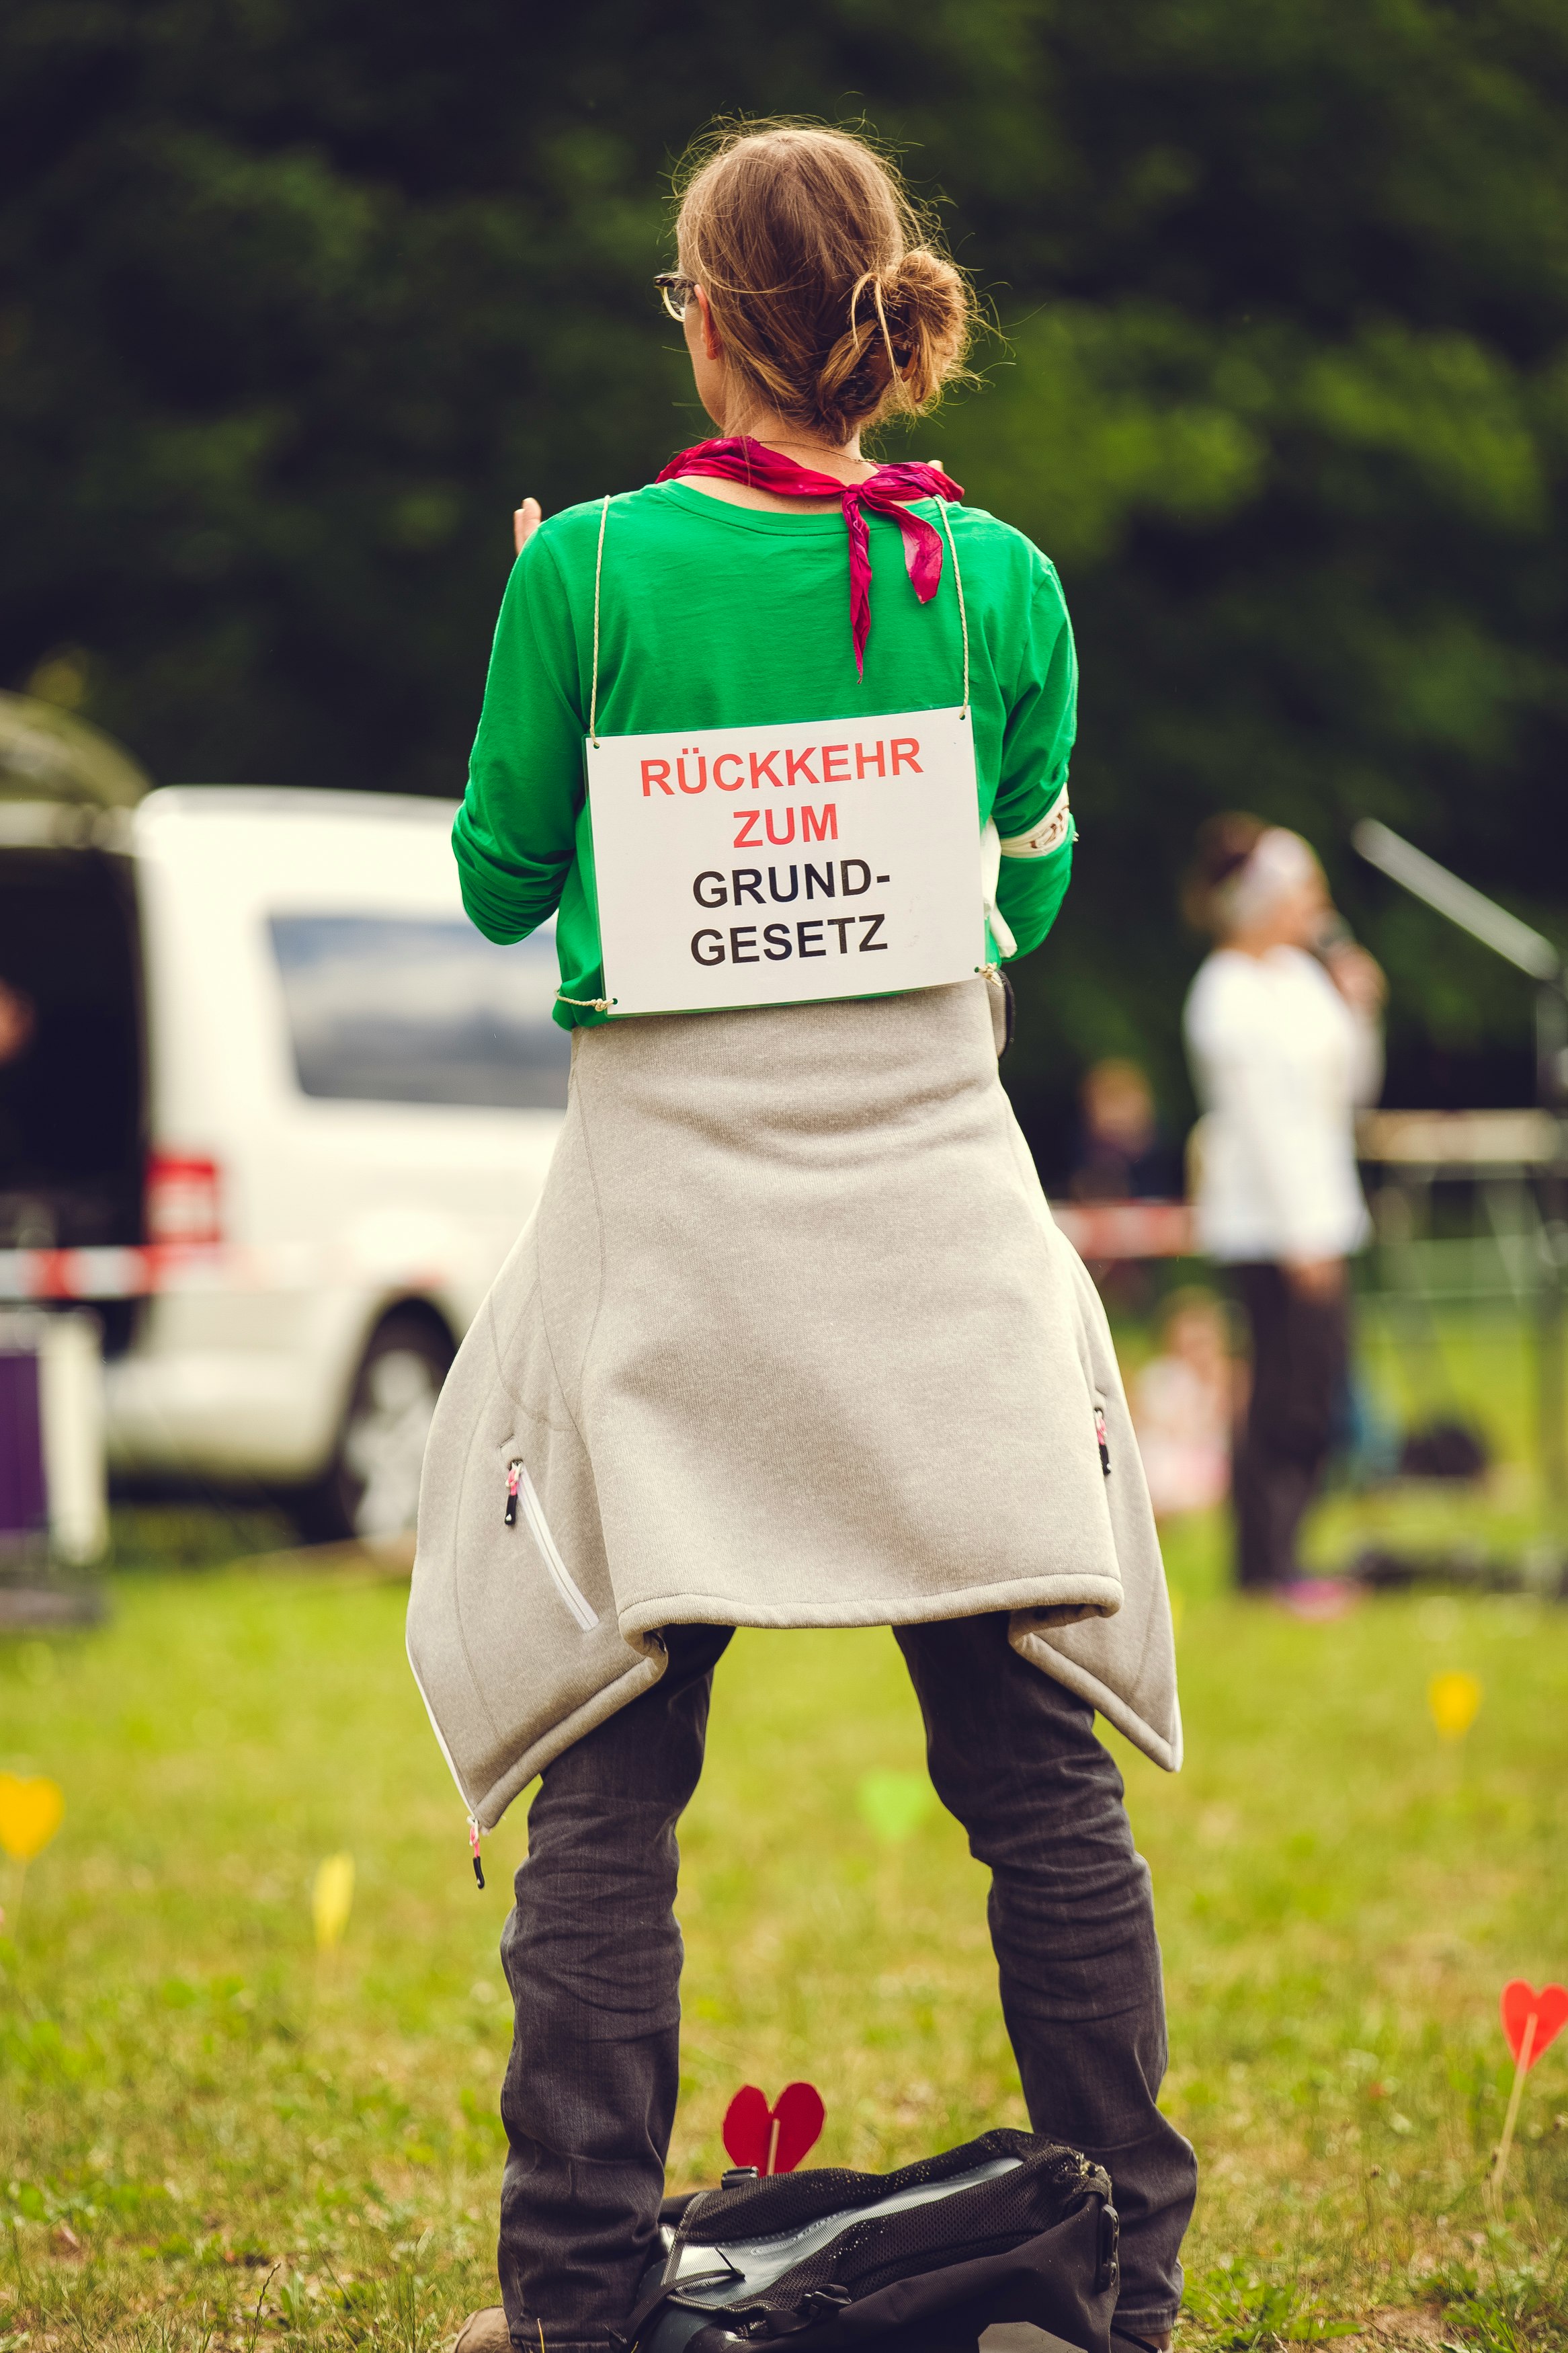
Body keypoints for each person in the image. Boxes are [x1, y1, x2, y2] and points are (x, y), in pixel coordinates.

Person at [409, 122, 1194, 2353]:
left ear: (706, 313)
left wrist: (556, 644)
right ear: (878, 311)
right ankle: (1124, 2279)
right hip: (932, 1233)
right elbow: (1021, 898)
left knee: (613, 1782)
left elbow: (492, 883)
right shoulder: (1008, 585)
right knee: (1032, 1775)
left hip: (673, 1251)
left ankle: (572, 2286)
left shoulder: (587, 575)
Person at [1181, 814, 1385, 1593]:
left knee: (1320, 1388)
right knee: (1281, 1393)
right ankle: (1266, 1567)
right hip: (1269, 1227)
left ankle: (1288, 1553)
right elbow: (1262, 1125)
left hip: (1324, 1215)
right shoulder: (1224, 993)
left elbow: (1350, 1092)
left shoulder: (1302, 981)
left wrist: (1359, 1006)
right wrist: (1300, 1234)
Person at [1132, 1288, 1236, 1520]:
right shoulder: (1164, 1375)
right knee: (1156, 1458)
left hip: (1203, 1452)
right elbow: (1146, 1417)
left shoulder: (1222, 1377)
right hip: (1170, 1446)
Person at [1070, 1059, 1184, 1203]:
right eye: (1110, 1100)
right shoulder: (1080, 1157)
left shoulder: (1170, 1160)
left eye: (1122, 1100)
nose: (1117, 1114)